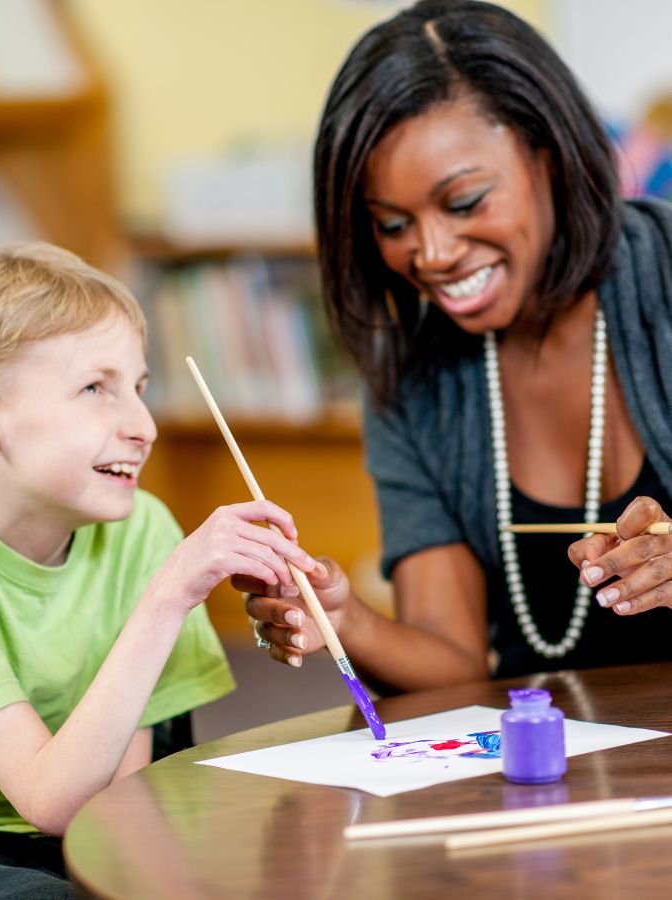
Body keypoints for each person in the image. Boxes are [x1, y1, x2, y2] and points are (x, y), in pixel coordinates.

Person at [0, 243, 319, 900]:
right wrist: (170, 597)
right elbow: (52, 803)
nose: (144, 426)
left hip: (75, 822)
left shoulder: (143, 530)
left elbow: (116, 803)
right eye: (97, 388)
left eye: (140, 387)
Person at [242, 0, 672, 693]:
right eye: (391, 223)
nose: (432, 254)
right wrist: (343, 618)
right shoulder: (415, 375)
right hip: (558, 782)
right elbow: (452, 661)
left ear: (549, 159)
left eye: (465, 202)